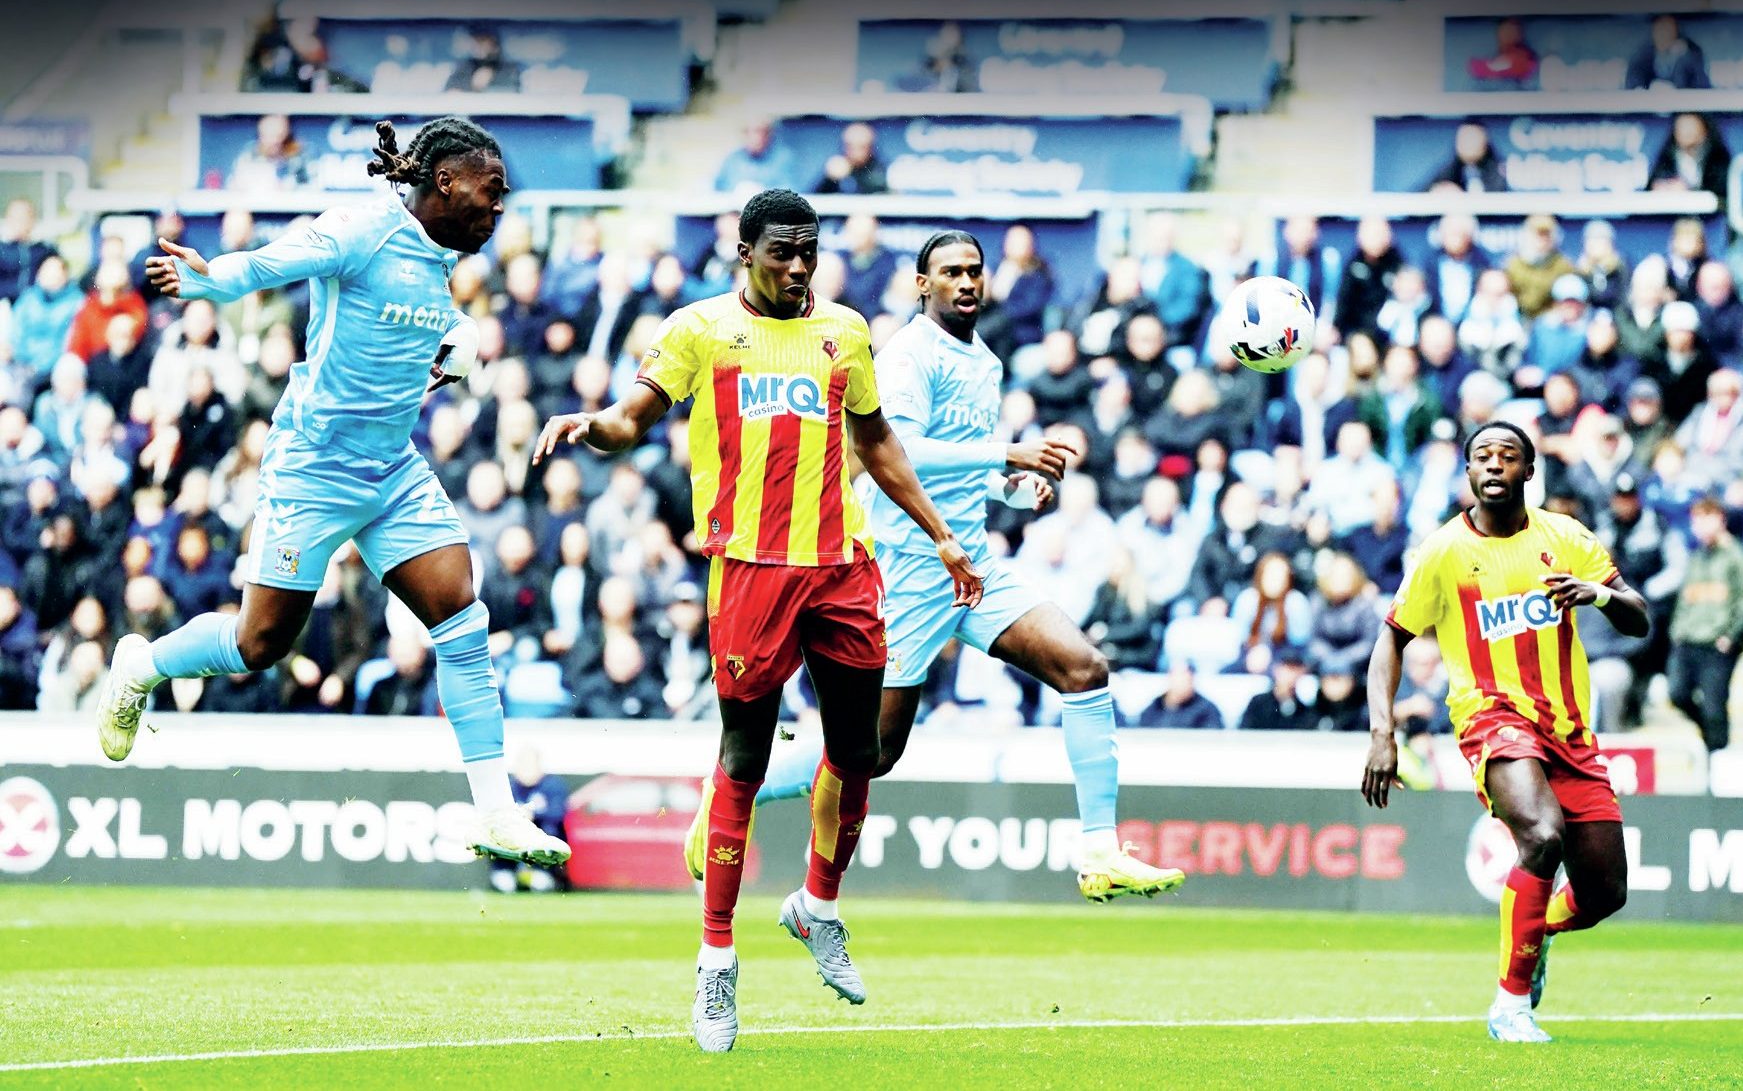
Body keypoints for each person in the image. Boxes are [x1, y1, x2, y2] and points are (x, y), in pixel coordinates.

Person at [531, 189, 981, 1054]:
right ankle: (715, 962)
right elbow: (636, 414)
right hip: (747, 571)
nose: (800, 266)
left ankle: (817, 908)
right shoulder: (699, 329)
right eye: (783, 251)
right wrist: (595, 425)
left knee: (857, 755)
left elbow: (879, 441)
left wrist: (942, 537)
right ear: (744, 252)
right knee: (741, 756)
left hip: (841, 565)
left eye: (809, 251)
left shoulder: (843, 331)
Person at [100, 116, 568, 872]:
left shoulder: (440, 251)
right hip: (312, 469)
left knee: (461, 614)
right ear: (446, 181)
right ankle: (141, 665)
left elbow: (401, 328)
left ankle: (496, 811)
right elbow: (274, 263)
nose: (499, 207)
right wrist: (210, 277)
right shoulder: (360, 229)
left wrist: (455, 342)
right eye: (492, 191)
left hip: (391, 471)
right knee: (261, 644)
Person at [732, 226, 1183, 884]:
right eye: (950, 271)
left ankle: (1099, 853)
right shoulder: (907, 356)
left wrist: (1009, 488)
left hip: (972, 564)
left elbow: (958, 463)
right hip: (909, 570)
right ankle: (737, 785)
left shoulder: (985, 361)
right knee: (872, 753)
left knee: (1084, 669)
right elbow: (899, 449)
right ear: (923, 284)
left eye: (974, 270)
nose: (966, 281)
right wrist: (1006, 452)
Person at [1364, 421, 1649, 1044]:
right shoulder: (1443, 552)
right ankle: (1509, 1007)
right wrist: (1382, 734)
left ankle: (1537, 929)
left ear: (1529, 472)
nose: (1494, 464)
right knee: (1542, 836)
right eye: (1481, 457)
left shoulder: (1566, 536)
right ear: (1469, 474)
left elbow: (1639, 619)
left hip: (1570, 730)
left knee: (1605, 892)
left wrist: (1598, 594)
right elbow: (1391, 637)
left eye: (1508, 455)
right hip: (1491, 716)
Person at [1668, 497, 1743, 753]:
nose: (1699, 526)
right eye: (1696, 520)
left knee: (1714, 707)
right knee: (1676, 693)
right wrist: (1677, 631)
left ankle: (1718, 760)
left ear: (1720, 519)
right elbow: (1685, 599)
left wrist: (1731, 636)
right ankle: (1711, 738)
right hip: (1688, 640)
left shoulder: (1735, 556)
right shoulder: (1697, 557)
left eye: (1706, 518)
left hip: (1717, 644)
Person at [1624, 14, 1710, 90]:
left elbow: (1700, 86)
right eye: (1659, 30)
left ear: (1676, 31)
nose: (1663, 35)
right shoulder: (1643, 55)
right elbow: (1633, 85)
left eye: (1667, 30)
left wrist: (1685, 58)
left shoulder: (1691, 53)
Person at [713, 118, 797, 195]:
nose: (757, 137)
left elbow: (790, 189)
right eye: (751, 132)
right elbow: (718, 188)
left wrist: (763, 192)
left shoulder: (783, 157)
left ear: (769, 135)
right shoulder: (733, 159)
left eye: (762, 132)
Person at [1430, 121, 1506, 192]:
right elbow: (1423, 193)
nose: (1468, 145)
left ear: (1485, 142)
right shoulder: (1451, 170)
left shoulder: (1500, 169)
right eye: (1464, 139)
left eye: (1472, 139)